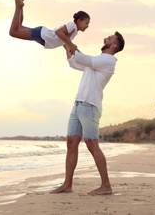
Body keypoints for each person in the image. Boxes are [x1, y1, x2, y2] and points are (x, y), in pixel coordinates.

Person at [50, 31, 125, 195]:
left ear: (114, 45)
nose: (105, 38)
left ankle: (106, 186)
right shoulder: (96, 62)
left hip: (90, 106)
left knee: (91, 144)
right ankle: (67, 184)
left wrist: (67, 40)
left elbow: (83, 58)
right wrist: (66, 46)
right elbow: (75, 63)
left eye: (109, 38)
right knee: (71, 143)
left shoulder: (107, 60)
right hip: (78, 105)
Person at [9, 0, 90, 54]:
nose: (87, 26)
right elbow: (58, 32)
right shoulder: (72, 26)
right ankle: (19, 5)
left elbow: (64, 42)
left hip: (42, 36)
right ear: (79, 21)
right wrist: (70, 44)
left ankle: (20, 1)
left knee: (18, 27)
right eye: (86, 23)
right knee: (13, 32)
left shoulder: (74, 31)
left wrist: (75, 50)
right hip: (42, 35)